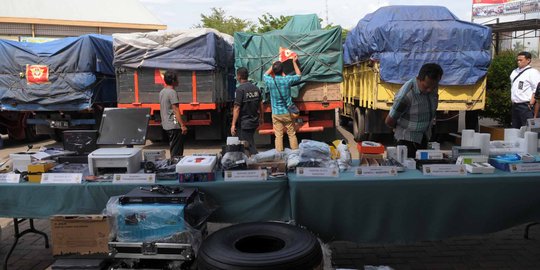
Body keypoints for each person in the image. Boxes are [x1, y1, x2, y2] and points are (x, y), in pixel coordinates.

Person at [385, 63, 444, 158]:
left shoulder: (432, 86)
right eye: (426, 87)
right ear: (419, 79)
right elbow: (389, 121)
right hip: (406, 142)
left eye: (433, 86)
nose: (430, 90)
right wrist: (404, 128)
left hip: (423, 137)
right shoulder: (406, 95)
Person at [263, 57, 301, 152]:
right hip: (287, 112)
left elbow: (265, 75)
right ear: (283, 70)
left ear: (273, 71)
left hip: (276, 113)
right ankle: (295, 152)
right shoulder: (287, 80)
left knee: (278, 135)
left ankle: (279, 154)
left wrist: (272, 66)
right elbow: (299, 75)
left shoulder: (270, 81)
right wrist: (294, 62)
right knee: (291, 133)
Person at [231, 67, 263, 155]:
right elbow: (261, 105)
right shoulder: (256, 88)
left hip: (245, 123)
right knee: (246, 143)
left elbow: (236, 108)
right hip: (254, 121)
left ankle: (256, 162)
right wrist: (261, 118)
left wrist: (233, 124)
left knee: (249, 145)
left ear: (239, 76)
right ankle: (249, 162)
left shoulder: (240, 90)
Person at [159, 70, 188, 158]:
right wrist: (182, 125)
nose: (178, 81)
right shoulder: (172, 92)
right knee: (177, 152)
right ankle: (175, 167)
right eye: (177, 79)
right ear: (173, 81)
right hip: (174, 125)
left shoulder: (162, 92)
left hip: (166, 124)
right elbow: (175, 110)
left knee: (173, 148)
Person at [510, 51, 540, 128]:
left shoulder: (532, 72)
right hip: (515, 105)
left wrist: (531, 103)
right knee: (515, 128)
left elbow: (536, 89)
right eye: (517, 60)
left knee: (527, 129)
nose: (518, 62)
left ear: (528, 60)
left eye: (521, 60)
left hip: (526, 105)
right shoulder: (515, 71)